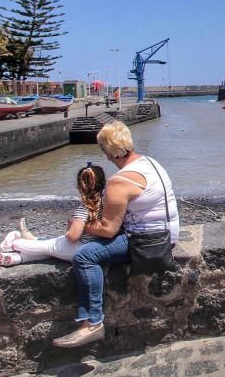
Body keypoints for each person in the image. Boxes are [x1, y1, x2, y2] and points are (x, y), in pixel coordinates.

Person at [53, 120, 179, 348]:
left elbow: (108, 229)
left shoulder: (118, 181)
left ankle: (92, 324)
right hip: (168, 234)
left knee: (85, 257)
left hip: (148, 243)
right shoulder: (150, 162)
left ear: (108, 151)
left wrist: (80, 225)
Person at [0, 164, 106, 266]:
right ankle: (19, 258)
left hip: (79, 249)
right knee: (49, 251)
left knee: (47, 246)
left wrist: (70, 227)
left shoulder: (84, 209)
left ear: (80, 187)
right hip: (94, 246)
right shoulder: (105, 203)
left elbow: (72, 237)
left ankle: (14, 243)